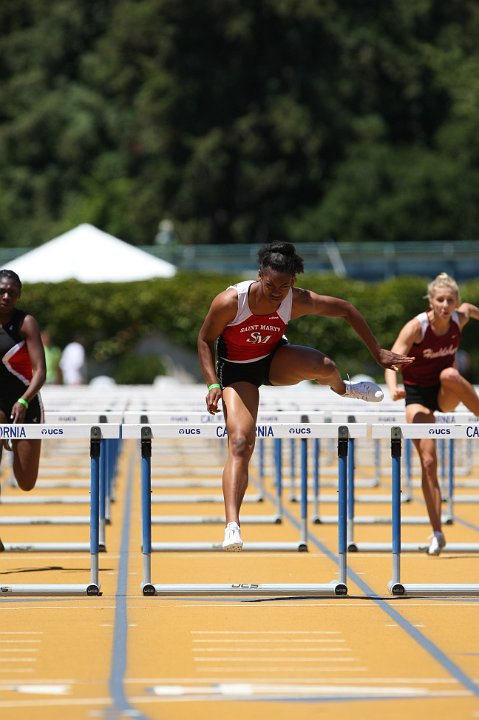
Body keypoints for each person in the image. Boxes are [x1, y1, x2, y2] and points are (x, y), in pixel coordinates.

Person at [198, 241, 412, 551]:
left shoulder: (295, 301)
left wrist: (378, 352)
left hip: (273, 360)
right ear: (259, 276)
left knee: (324, 365)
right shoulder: (230, 301)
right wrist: (212, 384)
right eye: (270, 285)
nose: (276, 293)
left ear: (293, 283)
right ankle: (233, 525)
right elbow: (205, 339)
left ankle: (346, 389)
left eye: (284, 287)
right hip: (237, 372)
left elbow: (347, 310)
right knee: (241, 442)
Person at [385, 272, 479, 556]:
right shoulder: (417, 327)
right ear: (431, 301)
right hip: (416, 396)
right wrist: (393, 389)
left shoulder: (459, 318)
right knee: (428, 461)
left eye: (450, 300)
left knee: (450, 373)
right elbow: (392, 359)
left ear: (455, 303)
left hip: (444, 391)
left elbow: (473, 310)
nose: (445, 304)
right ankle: (437, 532)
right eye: (440, 300)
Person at [0, 268, 46, 551]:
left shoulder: (25, 323)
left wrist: (25, 400)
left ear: (18, 295)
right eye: (1, 291)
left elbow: (41, 372)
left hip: (25, 401)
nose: (5, 296)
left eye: (11, 293)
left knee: (26, 482)